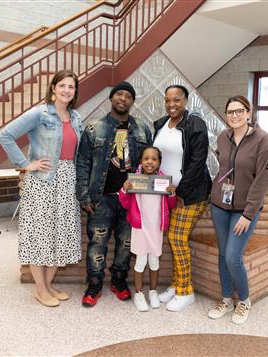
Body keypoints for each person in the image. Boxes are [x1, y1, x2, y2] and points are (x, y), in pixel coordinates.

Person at [0, 70, 83, 307]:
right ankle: (40, 288)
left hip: (67, 181)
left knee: (60, 233)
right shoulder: (39, 113)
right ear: (53, 88)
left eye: (71, 87)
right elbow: (5, 135)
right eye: (62, 85)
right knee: (41, 234)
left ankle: (49, 285)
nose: (67, 90)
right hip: (43, 181)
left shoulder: (75, 117)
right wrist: (26, 165)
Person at [76, 81, 153, 307]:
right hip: (101, 199)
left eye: (127, 96)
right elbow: (82, 164)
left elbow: (148, 165)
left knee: (126, 244)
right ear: (111, 98)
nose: (122, 99)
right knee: (97, 243)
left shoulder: (142, 130)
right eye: (118, 94)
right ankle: (94, 284)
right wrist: (84, 196)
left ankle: (119, 281)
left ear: (132, 101)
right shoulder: (93, 129)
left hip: (131, 200)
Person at [207, 95, 268, 324]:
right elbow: (223, 169)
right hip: (220, 205)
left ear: (249, 113)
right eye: (230, 112)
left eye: (239, 111)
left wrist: (248, 214)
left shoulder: (262, 140)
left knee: (233, 256)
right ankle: (226, 298)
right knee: (222, 254)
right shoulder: (223, 137)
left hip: (244, 209)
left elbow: (262, 180)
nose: (234, 115)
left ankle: (244, 300)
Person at [153, 85, 212, 312]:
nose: (171, 104)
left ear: (186, 101)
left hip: (191, 194)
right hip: (166, 194)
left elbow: (197, 163)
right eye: (168, 100)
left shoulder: (196, 125)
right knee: (174, 239)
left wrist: (180, 192)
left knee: (177, 238)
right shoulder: (160, 124)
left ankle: (186, 292)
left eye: (176, 100)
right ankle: (177, 285)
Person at [118, 146, 177, 312]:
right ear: (141, 161)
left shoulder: (163, 181)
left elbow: (170, 205)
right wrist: (124, 189)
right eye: (146, 159)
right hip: (140, 228)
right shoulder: (135, 180)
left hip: (156, 229)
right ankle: (138, 293)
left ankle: (152, 292)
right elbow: (125, 203)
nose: (150, 162)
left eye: (154, 159)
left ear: (159, 162)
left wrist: (172, 193)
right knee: (141, 261)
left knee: (154, 261)